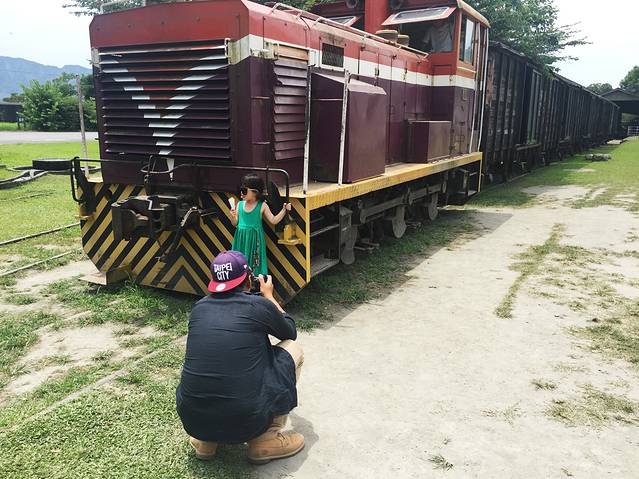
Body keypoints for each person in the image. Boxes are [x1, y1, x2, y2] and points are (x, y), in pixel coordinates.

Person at [175, 250, 305, 465]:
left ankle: (206, 442)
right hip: (246, 420)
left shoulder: (199, 308)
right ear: (248, 281)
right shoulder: (258, 305)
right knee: (293, 349)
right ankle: (266, 440)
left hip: (193, 421)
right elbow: (289, 332)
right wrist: (269, 296)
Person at [230, 174, 292, 277]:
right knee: (239, 262)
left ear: (255, 192)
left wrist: (284, 210)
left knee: (255, 262)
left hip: (255, 240)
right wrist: (232, 217)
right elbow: (235, 223)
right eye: (241, 190)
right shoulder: (240, 204)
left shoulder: (262, 205)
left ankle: (256, 282)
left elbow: (273, 220)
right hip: (241, 239)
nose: (241, 193)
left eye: (244, 190)